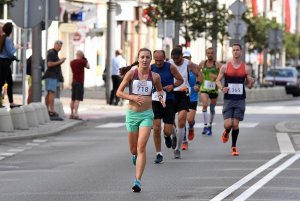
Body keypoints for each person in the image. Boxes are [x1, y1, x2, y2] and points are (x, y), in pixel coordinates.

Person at [116, 48, 165, 192]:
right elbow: (119, 92)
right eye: (142, 57)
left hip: (147, 114)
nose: (144, 60)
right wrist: (132, 97)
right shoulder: (132, 73)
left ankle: (137, 180)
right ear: (138, 59)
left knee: (141, 147)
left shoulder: (155, 76)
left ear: (151, 60)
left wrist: (161, 98)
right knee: (133, 149)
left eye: (147, 57)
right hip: (132, 114)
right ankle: (134, 155)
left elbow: (160, 90)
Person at [215, 43, 255, 156]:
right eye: (234, 50)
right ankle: (226, 132)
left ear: (241, 52)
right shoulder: (225, 67)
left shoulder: (246, 68)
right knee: (228, 124)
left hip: (240, 99)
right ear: (231, 52)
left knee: (235, 124)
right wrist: (222, 88)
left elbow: (249, 86)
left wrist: (251, 81)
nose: (236, 52)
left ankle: (233, 146)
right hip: (228, 99)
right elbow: (217, 81)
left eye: (237, 50)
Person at [151, 50, 183, 163]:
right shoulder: (151, 68)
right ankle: (158, 153)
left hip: (169, 100)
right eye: (156, 60)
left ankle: (167, 136)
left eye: (160, 60)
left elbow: (181, 80)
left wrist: (172, 86)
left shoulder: (171, 67)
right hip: (155, 100)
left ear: (165, 58)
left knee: (168, 130)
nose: (158, 63)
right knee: (156, 128)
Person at [169, 47, 200, 159]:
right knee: (169, 122)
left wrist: (198, 85)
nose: (175, 61)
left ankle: (177, 149)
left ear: (182, 56)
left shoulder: (188, 64)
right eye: (173, 58)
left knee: (182, 120)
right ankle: (173, 134)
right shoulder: (169, 63)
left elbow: (199, 74)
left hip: (183, 94)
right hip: (171, 94)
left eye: (177, 58)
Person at [198, 47, 222, 135]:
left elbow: (223, 74)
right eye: (208, 53)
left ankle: (210, 126)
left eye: (211, 53)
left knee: (212, 108)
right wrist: (199, 79)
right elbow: (196, 71)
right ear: (206, 54)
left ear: (214, 54)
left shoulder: (218, 65)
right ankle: (205, 125)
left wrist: (216, 78)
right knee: (204, 105)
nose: (210, 55)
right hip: (204, 88)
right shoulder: (202, 64)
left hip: (214, 89)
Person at [181, 50, 201, 150]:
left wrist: (198, 85)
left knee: (189, 119)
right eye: (184, 57)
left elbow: (200, 77)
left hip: (192, 96)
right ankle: (184, 140)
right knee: (183, 119)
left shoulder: (195, 67)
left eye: (187, 58)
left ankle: (191, 126)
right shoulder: (179, 68)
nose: (185, 59)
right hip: (182, 96)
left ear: (190, 58)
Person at [43, 40, 66, 120]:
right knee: (51, 93)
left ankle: (47, 109)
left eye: (61, 46)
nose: (60, 47)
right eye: (58, 45)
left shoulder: (54, 53)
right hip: (51, 76)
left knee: (49, 93)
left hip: (53, 76)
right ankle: (51, 110)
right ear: (55, 45)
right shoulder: (51, 53)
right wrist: (60, 61)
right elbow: (49, 64)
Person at [0, 22, 18, 108]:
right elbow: (10, 53)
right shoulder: (7, 39)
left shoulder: (4, 38)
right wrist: (16, 48)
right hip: (4, 63)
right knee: (2, 82)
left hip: (5, 62)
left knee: (9, 82)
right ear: (10, 30)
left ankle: (11, 102)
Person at [70, 50, 90, 120]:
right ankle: (76, 114)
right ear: (82, 55)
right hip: (79, 82)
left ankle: (72, 113)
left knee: (73, 98)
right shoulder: (82, 61)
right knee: (77, 99)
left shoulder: (72, 62)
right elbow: (88, 67)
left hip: (73, 81)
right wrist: (85, 60)